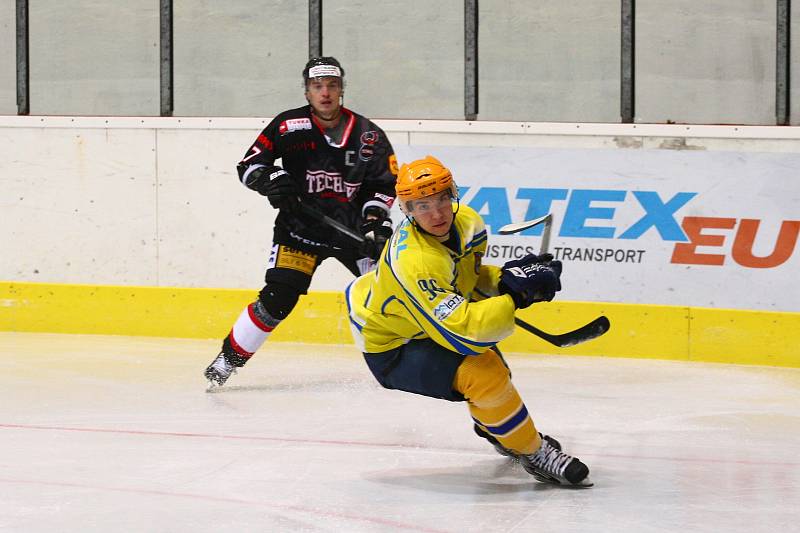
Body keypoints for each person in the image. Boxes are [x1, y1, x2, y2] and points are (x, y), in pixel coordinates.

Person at [344, 155, 592, 487]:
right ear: (407, 210)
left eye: (442, 199)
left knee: (497, 373)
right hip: (393, 344)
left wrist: (507, 280)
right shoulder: (414, 260)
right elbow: (466, 334)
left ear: (453, 194)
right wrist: (516, 296)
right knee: (484, 373)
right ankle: (535, 454)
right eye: (422, 205)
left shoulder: (468, 224)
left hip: (421, 320)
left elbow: (465, 280)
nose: (436, 214)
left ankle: (497, 427)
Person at [205, 56, 397, 387]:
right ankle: (228, 359)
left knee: (393, 292)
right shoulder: (287, 126)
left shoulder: (369, 135)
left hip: (352, 233)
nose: (325, 93)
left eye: (332, 86)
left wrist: (375, 220)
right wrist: (271, 180)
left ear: (341, 90)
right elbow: (249, 165)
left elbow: (382, 185)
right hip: (300, 231)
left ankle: (420, 357)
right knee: (278, 298)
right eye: (317, 86)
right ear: (307, 91)